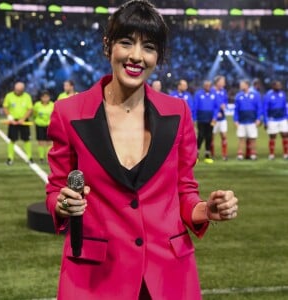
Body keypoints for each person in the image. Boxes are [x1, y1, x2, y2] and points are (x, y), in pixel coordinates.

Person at [46, 1, 238, 299]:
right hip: (96, 277)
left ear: (158, 56)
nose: (136, 56)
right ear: (108, 45)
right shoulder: (67, 112)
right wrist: (62, 204)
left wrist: (206, 211)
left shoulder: (178, 113)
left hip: (168, 275)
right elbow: (56, 188)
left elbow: (184, 192)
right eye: (126, 42)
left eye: (148, 47)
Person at [3, 82, 33, 165]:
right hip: (13, 121)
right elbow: (5, 107)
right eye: (16, 90)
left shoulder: (27, 96)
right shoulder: (9, 96)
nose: (17, 91)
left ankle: (29, 158)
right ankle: (10, 158)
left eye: (19, 90)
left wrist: (23, 119)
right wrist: (10, 117)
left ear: (23, 90)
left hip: (24, 121)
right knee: (12, 139)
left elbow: (30, 109)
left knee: (27, 139)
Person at [234, 79, 262, 160]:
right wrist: (235, 120)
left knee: (253, 138)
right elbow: (236, 109)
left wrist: (258, 119)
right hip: (241, 121)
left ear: (247, 85)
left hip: (252, 120)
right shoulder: (238, 96)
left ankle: (253, 154)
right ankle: (240, 154)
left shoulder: (255, 95)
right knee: (241, 138)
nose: (240, 86)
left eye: (242, 84)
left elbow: (259, 108)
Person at [194, 80, 219, 163]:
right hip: (201, 119)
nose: (207, 87)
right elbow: (195, 107)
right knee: (200, 136)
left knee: (209, 137)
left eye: (209, 85)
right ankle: (195, 155)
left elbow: (216, 107)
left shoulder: (214, 94)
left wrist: (215, 117)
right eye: (206, 85)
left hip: (211, 119)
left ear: (211, 86)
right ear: (203, 86)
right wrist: (194, 118)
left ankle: (207, 156)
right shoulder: (198, 94)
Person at [263, 80, 288, 160]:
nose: (279, 87)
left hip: (282, 118)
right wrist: (266, 121)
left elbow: (285, 107)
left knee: (285, 135)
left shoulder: (282, 94)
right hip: (272, 119)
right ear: (273, 86)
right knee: (272, 136)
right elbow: (265, 109)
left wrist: (286, 117)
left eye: (280, 85)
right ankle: (271, 154)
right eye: (277, 85)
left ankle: (286, 154)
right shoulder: (268, 95)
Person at [33, 90, 54, 163]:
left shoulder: (52, 105)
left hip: (50, 126)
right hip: (40, 125)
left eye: (47, 97)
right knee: (41, 141)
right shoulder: (37, 105)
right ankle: (41, 158)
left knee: (50, 142)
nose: (45, 99)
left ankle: (49, 157)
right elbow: (34, 114)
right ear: (41, 98)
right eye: (43, 97)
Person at [211, 75, 228, 160]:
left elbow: (225, 102)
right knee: (212, 136)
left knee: (224, 135)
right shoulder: (211, 91)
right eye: (222, 81)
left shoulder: (224, 91)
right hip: (213, 118)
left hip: (222, 118)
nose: (224, 83)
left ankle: (224, 155)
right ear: (217, 82)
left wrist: (224, 106)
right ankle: (212, 154)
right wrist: (216, 113)